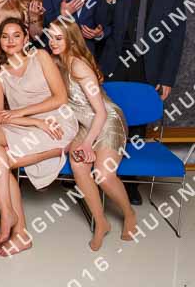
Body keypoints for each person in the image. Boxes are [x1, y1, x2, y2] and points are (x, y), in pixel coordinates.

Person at [0, 18, 78, 257]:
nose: (10, 40)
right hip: (28, 126)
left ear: (26, 39)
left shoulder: (40, 57)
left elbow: (60, 98)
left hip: (56, 121)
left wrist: (23, 112)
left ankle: (19, 230)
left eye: (16, 35)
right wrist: (33, 121)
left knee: (0, 163)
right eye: (5, 36)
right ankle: (9, 216)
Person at [98, 0, 186, 205]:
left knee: (137, 126)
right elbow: (100, 27)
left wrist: (167, 78)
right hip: (116, 63)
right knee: (108, 118)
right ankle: (105, 177)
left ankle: (130, 183)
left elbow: (176, 39)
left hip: (147, 66)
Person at [48, 19, 137, 251]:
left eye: (59, 38)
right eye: (50, 37)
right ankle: (101, 222)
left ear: (71, 39)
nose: (52, 42)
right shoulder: (56, 62)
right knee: (78, 166)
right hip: (83, 125)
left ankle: (129, 214)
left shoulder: (79, 66)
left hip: (106, 121)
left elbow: (100, 112)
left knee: (103, 175)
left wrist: (87, 144)